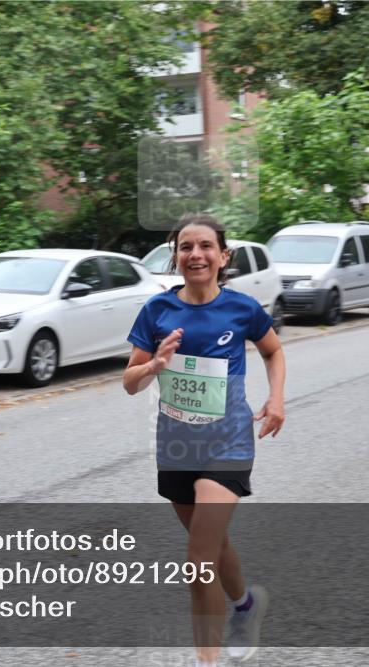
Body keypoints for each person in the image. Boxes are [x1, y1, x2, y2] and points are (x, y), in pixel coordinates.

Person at [123, 213, 286, 666]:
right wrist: (153, 366)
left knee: (197, 562)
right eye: (185, 247)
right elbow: (129, 381)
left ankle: (206, 661)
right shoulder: (157, 311)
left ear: (223, 256)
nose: (195, 254)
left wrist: (276, 399)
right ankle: (246, 606)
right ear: (175, 257)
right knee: (211, 545)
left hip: (228, 442)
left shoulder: (241, 308)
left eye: (205, 246)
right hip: (176, 446)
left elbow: (272, 349)